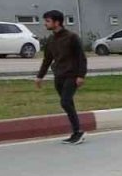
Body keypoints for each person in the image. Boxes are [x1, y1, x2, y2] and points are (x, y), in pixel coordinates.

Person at [35, 9, 88, 144]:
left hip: (72, 75)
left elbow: (81, 57)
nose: (45, 24)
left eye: (48, 21)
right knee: (68, 103)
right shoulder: (51, 40)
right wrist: (40, 76)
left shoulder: (71, 37)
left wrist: (81, 75)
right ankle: (76, 132)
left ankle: (78, 132)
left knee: (65, 102)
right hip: (59, 76)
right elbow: (47, 60)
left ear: (57, 22)